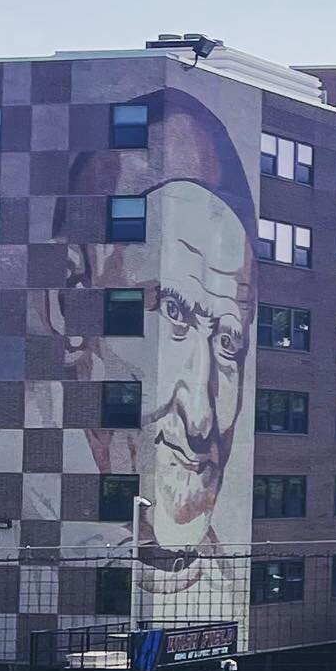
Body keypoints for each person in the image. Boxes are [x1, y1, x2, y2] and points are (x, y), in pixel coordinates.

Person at [43, 89, 258, 624]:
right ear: (71, 300)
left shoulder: (230, 582)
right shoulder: (31, 535)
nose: (205, 416)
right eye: (176, 316)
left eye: (229, 342)